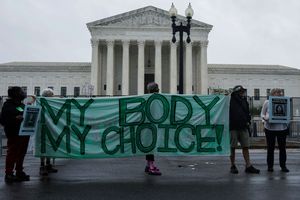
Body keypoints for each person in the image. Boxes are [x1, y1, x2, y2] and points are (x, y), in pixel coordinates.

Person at [0, 87, 30, 182]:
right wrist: (15, 118)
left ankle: (19, 171)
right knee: (12, 152)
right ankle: (9, 173)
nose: (23, 93)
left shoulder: (21, 105)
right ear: (16, 94)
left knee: (21, 153)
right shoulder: (8, 105)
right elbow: (3, 120)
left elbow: (24, 112)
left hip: (24, 132)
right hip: (13, 133)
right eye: (21, 92)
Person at [229, 85, 260, 174]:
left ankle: (248, 165)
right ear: (236, 92)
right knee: (232, 147)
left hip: (243, 127)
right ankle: (232, 165)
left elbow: (247, 112)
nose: (243, 93)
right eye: (241, 91)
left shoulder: (244, 101)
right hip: (233, 127)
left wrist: (248, 121)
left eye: (243, 91)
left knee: (245, 146)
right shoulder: (230, 101)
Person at [261, 88, 289, 172]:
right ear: (272, 94)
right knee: (270, 148)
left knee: (282, 148)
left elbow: (288, 114)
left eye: (279, 92)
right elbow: (262, 113)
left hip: (282, 128)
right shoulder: (267, 102)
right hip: (270, 128)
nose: (278, 94)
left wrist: (287, 122)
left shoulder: (285, 101)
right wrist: (264, 119)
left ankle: (283, 166)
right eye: (276, 92)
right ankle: (270, 166)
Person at [144, 82, 162, 176]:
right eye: (157, 89)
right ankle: (151, 166)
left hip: (149, 126)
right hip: (150, 126)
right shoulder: (154, 99)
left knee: (149, 145)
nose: (158, 90)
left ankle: (148, 165)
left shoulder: (147, 98)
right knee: (150, 146)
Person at [39, 88, 58, 176]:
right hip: (42, 129)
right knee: (43, 148)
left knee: (49, 147)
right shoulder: (41, 104)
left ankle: (48, 164)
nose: (53, 97)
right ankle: (42, 166)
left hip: (50, 129)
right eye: (51, 95)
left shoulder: (51, 104)